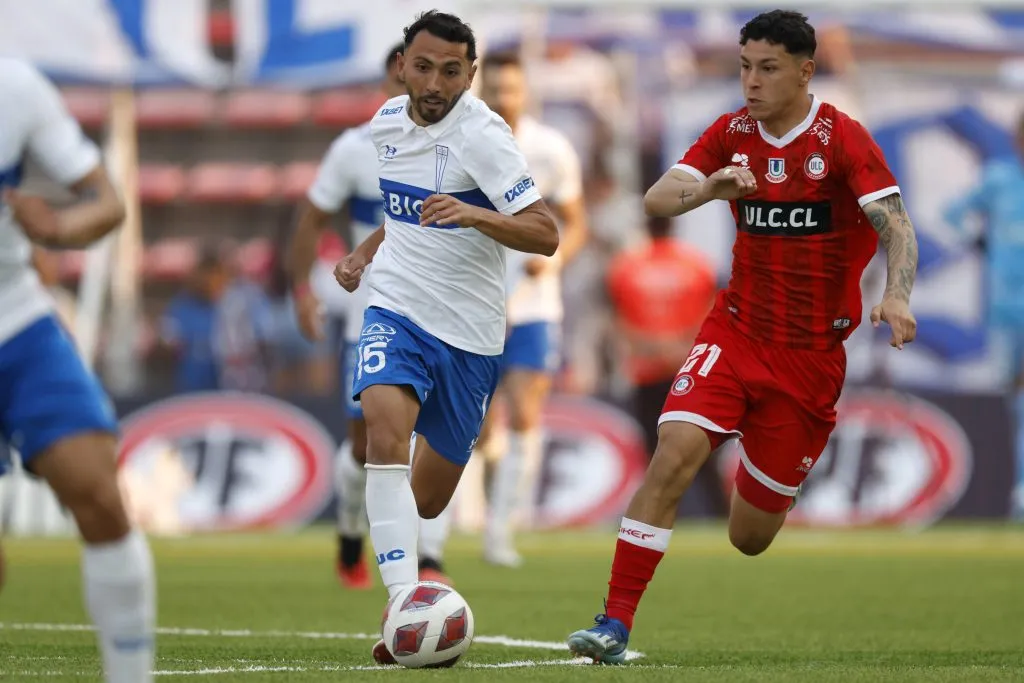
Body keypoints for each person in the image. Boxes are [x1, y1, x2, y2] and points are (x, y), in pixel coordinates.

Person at [567, 10, 919, 664]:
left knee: (750, 534)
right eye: (744, 67)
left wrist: (896, 294)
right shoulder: (731, 131)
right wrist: (709, 188)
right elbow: (657, 197)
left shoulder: (842, 140)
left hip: (810, 358)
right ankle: (612, 623)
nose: (751, 82)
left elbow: (895, 223)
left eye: (768, 68)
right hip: (736, 332)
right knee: (673, 451)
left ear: (805, 71)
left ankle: (766, 465)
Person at [332, 10, 557, 664]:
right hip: (395, 307)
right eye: (423, 66)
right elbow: (401, 212)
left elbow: (545, 232)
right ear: (402, 64)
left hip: (469, 333)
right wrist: (363, 253)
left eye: (451, 70)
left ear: (470, 73)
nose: (434, 82)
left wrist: (475, 213)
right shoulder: (385, 124)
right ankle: (404, 603)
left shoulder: (484, 138)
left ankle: (408, 590)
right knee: (381, 426)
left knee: (425, 496)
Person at [0, 59, 156, 683]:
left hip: (16, 318)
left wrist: (60, 225)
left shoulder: (16, 88)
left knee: (98, 492)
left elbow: (107, 202)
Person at [427, 50, 588, 569]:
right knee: (475, 424)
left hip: (535, 306)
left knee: (524, 413)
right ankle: (444, 529)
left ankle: (500, 532)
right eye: (495, 89)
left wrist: (556, 259)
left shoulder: (551, 149)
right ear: (481, 89)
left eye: (512, 89)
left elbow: (574, 220)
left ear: (525, 93)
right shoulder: (460, 141)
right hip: (472, 301)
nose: (504, 98)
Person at [289, 44, 405, 589]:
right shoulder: (355, 150)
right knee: (365, 443)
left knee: (423, 439)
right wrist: (300, 289)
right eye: (404, 73)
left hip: (437, 312)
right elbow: (311, 218)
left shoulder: (459, 145)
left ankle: (423, 561)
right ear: (386, 80)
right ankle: (350, 536)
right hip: (371, 314)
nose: (415, 84)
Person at [606, 217, 727, 516]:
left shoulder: (626, 267)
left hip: (646, 368)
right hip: (689, 368)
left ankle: (660, 517)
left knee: (654, 447)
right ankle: (719, 514)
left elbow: (617, 317)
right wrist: (682, 345)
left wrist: (648, 344)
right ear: (674, 227)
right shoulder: (698, 265)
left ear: (646, 227)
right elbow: (714, 312)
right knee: (702, 446)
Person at [943, 112, 1024, 518]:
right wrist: (976, 241)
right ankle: (1015, 490)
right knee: (1012, 401)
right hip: (1005, 309)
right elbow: (952, 213)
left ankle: (1021, 491)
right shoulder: (999, 179)